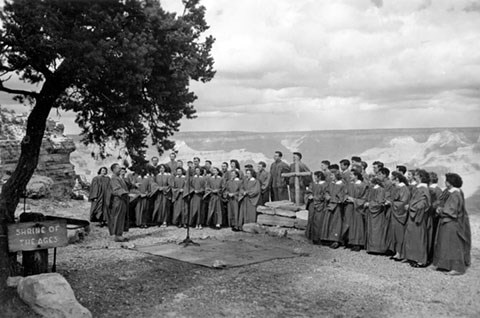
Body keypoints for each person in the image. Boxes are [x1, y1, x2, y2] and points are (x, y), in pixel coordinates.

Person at [433, 173, 471, 275]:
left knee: (453, 244)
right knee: (446, 244)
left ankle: (457, 268)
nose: (445, 182)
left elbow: (452, 210)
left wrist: (440, 210)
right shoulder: (451, 193)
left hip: (452, 223)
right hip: (447, 221)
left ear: (450, 182)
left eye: (447, 180)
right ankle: (446, 265)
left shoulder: (455, 194)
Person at [401, 169, 431, 267]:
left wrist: (411, 207)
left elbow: (424, 204)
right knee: (411, 236)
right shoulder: (418, 188)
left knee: (419, 237)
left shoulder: (424, 189)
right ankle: (412, 256)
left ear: (421, 177)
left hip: (418, 216)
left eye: (417, 175)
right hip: (413, 215)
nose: (415, 177)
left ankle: (420, 260)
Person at [387, 171, 410, 261]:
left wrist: (392, 203)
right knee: (395, 233)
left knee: (400, 233)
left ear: (396, 179)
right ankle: (397, 252)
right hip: (395, 213)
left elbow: (403, 202)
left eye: (391, 178)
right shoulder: (397, 187)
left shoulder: (404, 188)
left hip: (399, 214)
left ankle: (400, 253)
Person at [344, 171, 368, 251]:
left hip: (358, 208)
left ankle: (358, 243)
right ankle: (350, 241)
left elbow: (364, 198)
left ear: (356, 176)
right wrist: (346, 198)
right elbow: (345, 193)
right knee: (348, 223)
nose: (350, 176)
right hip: (349, 206)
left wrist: (354, 200)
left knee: (358, 225)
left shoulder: (363, 185)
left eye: (351, 174)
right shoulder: (349, 184)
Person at [364, 177, 388, 254]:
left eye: (370, 181)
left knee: (377, 230)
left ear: (374, 182)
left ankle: (377, 249)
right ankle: (371, 248)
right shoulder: (373, 189)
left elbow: (380, 203)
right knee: (372, 229)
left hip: (378, 214)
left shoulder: (380, 190)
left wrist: (369, 204)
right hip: (371, 213)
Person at [322, 171, 346, 249]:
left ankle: (336, 240)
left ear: (336, 176)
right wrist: (327, 196)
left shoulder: (342, 185)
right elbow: (326, 191)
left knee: (336, 223)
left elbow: (343, 195)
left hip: (337, 206)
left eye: (332, 175)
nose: (331, 177)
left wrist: (337, 199)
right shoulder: (331, 184)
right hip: (330, 205)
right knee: (329, 221)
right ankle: (329, 238)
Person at [107, 163, 129, 242]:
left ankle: (120, 234)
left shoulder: (119, 178)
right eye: (118, 168)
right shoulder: (114, 178)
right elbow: (116, 189)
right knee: (118, 217)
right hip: (118, 200)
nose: (120, 169)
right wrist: (126, 193)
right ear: (113, 170)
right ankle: (117, 235)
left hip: (122, 200)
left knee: (121, 217)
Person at [305, 171, 329, 244]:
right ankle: (311, 237)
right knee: (311, 219)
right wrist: (309, 196)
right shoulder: (312, 184)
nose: (314, 178)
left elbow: (326, 195)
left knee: (318, 221)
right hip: (312, 204)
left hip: (321, 205)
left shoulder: (326, 185)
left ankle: (319, 238)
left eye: (316, 176)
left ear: (320, 177)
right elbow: (308, 192)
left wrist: (315, 197)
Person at [428, 172, 443, 262]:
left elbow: (438, 202)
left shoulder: (435, 190)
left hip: (432, 215)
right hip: (432, 215)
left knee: (431, 236)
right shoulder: (438, 189)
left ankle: (430, 255)